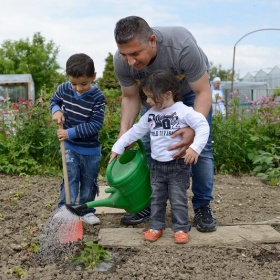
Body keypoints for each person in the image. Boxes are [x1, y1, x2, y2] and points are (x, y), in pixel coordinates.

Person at [113, 16, 217, 232]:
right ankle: (151, 204)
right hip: (154, 100)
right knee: (149, 145)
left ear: (152, 41)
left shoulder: (181, 46)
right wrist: (124, 134)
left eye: (135, 54)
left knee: (201, 147)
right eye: (124, 55)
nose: (130, 61)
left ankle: (202, 206)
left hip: (190, 95)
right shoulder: (121, 60)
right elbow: (131, 97)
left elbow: (203, 91)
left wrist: (191, 130)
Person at [109, 70, 210, 243]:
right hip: (157, 166)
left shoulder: (183, 111)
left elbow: (202, 125)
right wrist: (118, 147)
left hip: (178, 165)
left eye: (151, 97)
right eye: (146, 97)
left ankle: (180, 228)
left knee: (178, 199)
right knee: (156, 198)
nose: (147, 101)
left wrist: (195, 148)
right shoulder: (151, 114)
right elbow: (135, 132)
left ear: (168, 94)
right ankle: (156, 226)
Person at [50, 53, 105, 224]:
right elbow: (54, 101)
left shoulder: (98, 97)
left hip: (90, 149)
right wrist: (56, 110)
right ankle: (66, 209)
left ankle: (86, 211)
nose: (78, 88)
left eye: (84, 83)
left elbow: (95, 124)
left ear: (93, 76)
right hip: (70, 147)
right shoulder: (64, 88)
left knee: (89, 182)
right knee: (70, 177)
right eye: (74, 83)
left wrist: (69, 133)